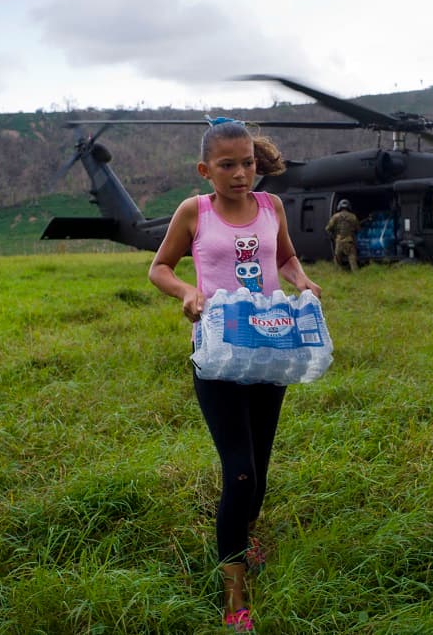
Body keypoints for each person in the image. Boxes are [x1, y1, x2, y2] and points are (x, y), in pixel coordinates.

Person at [148, 118, 321, 632]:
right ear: (206, 170)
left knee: (260, 473)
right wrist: (187, 293)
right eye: (227, 165)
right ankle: (234, 590)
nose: (241, 173)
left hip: (270, 352)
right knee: (239, 471)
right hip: (220, 355)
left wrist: (303, 279)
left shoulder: (272, 207)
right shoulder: (194, 212)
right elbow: (160, 267)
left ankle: (243, 536)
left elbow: (285, 256)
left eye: (247, 162)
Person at [325, 198, 360, 272]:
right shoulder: (353, 217)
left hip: (339, 242)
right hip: (349, 242)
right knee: (352, 260)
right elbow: (358, 228)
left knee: (338, 261)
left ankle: (339, 274)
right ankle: (356, 274)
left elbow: (328, 228)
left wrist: (333, 236)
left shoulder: (335, 216)